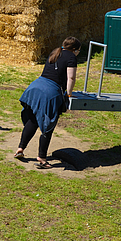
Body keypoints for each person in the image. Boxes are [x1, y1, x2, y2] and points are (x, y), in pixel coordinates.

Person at [14, 37, 80, 169]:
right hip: (49, 92)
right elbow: (71, 78)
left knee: (33, 120)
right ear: (74, 49)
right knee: (48, 124)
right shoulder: (71, 57)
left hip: (35, 87)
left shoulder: (55, 52)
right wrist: (69, 94)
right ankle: (42, 158)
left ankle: (20, 148)